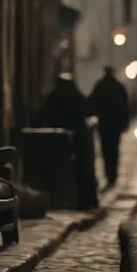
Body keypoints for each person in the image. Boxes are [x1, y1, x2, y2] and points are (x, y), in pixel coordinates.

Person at [38, 73, 98, 210]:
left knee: (67, 172)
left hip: (60, 143)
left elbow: (44, 115)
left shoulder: (55, 97)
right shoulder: (74, 96)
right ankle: (81, 202)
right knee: (80, 172)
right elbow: (88, 109)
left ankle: (68, 201)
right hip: (75, 142)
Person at [88, 66, 130, 187]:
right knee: (114, 150)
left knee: (106, 151)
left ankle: (109, 174)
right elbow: (125, 106)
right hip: (115, 125)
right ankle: (113, 174)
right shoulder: (118, 87)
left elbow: (92, 102)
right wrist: (124, 123)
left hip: (105, 125)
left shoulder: (100, 86)